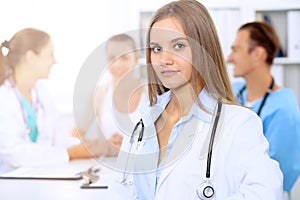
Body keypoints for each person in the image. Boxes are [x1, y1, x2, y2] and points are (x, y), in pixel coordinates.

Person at [108, 1, 284, 199]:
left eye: (178, 46)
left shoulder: (238, 124)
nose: (164, 59)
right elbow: (118, 192)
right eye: (156, 49)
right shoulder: (141, 123)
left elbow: (267, 193)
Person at [0, 28, 117, 174]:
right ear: (30, 57)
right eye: (50, 54)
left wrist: (93, 146)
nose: (54, 61)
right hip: (10, 181)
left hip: (40, 175)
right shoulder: (4, 98)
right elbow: (13, 153)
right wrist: (71, 153)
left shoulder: (41, 92)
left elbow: (58, 134)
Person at [228, 21, 300, 193]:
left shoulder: (284, 110)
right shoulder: (233, 92)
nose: (229, 57)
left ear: (258, 54)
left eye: (236, 49)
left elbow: (278, 180)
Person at [75, 34, 148, 153]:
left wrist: (129, 144)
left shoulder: (151, 93)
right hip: (106, 168)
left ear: (136, 59)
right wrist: (103, 146)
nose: (118, 64)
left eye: (125, 57)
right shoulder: (98, 94)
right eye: (112, 58)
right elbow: (75, 135)